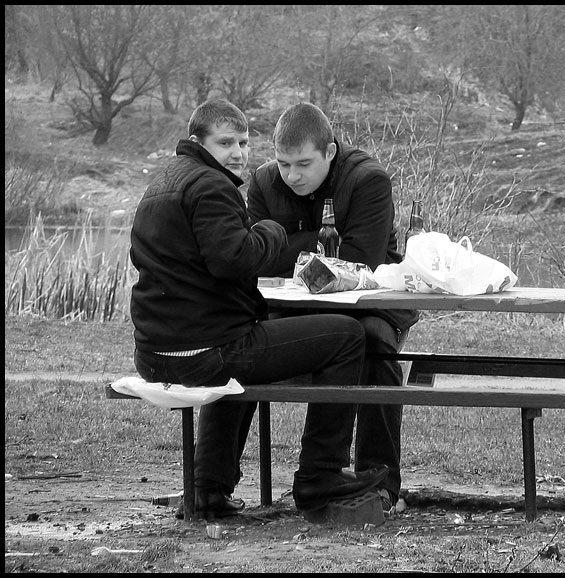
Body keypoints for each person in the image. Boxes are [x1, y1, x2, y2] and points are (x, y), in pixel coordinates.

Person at [129, 98, 388, 519]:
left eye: (244, 141)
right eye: (225, 142)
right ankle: (319, 477)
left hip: (156, 352)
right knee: (347, 335)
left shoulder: (164, 180)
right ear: (199, 141)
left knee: (240, 346)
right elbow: (236, 259)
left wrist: (272, 241)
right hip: (207, 352)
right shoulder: (212, 187)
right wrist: (269, 231)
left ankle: (207, 488)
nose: (238, 152)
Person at [247, 102, 419, 515]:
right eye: (284, 164)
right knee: (242, 339)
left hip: (371, 303)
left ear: (330, 151)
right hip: (289, 305)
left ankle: (379, 482)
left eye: (304, 163)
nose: (292, 175)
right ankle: (219, 482)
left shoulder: (368, 180)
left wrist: (289, 244)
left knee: (374, 348)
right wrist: (320, 245)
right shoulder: (263, 182)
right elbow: (253, 257)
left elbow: (363, 259)